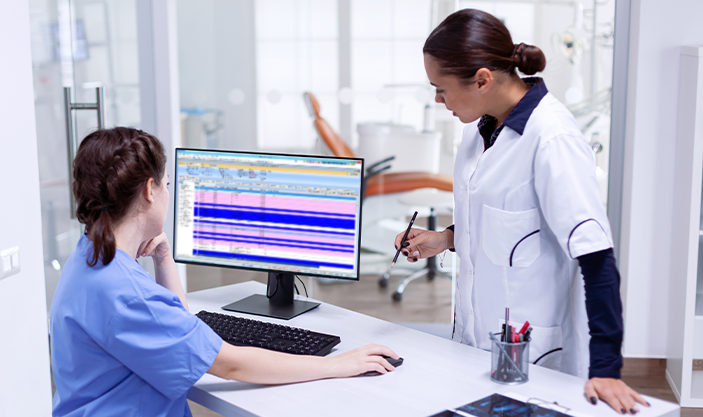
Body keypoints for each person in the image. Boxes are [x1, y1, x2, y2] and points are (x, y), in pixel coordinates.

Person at [394, 9, 647, 415]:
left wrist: (607, 368)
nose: (438, 100)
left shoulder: (552, 139)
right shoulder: (476, 133)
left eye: (440, 89)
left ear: (482, 79)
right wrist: (444, 239)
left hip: (535, 357)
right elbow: (509, 223)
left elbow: (597, 259)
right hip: (473, 345)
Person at [49, 127, 399, 416]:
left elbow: (173, 326)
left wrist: (163, 257)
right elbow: (230, 366)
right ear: (149, 191)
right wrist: (338, 364)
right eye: (167, 184)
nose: (169, 192)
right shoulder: (128, 293)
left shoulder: (89, 260)